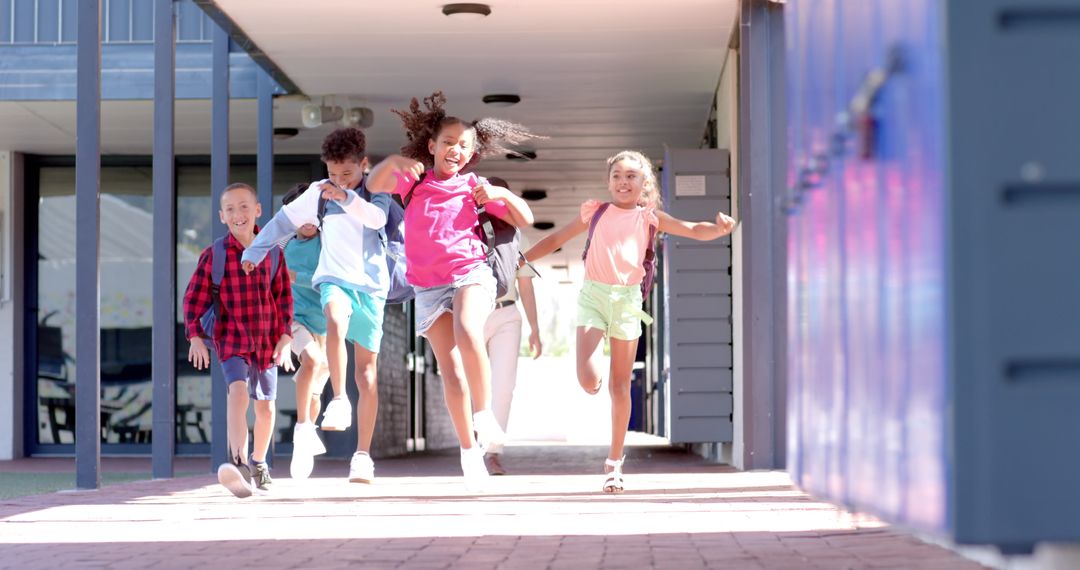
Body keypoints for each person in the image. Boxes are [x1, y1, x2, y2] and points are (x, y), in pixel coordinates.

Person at [524, 150, 736, 493]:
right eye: (617, 176)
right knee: (588, 379)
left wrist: (718, 229)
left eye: (631, 176)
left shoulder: (649, 218)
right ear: (609, 181)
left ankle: (614, 462)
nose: (623, 182)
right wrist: (520, 259)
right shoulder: (596, 211)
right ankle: (592, 383)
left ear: (644, 183)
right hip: (593, 296)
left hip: (627, 301)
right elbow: (555, 240)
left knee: (619, 386)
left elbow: (693, 229)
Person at [366, 91, 540, 489]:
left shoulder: (476, 187)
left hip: (470, 273)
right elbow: (375, 184)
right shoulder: (413, 184)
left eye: (464, 146)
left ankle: (484, 416)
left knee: (467, 327)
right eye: (448, 143)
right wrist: (393, 162)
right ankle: (468, 449)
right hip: (428, 287)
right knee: (451, 371)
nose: (455, 151)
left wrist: (501, 194)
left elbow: (525, 218)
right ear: (431, 146)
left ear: (472, 153)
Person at [243, 128, 391, 484]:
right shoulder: (318, 193)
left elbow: (377, 220)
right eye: (333, 172)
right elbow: (281, 222)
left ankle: (361, 456)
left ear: (363, 165)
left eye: (348, 173)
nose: (338, 180)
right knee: (335, 319)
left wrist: (344, 196)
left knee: (367, 374)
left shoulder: (377, 190)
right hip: (335, 279)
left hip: (371, 287)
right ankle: (339, 398)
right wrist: (254, 251)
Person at [183, 182, 294, 498]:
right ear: (221, 216)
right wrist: (195, 336)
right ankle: (238, 462)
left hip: (267, 341)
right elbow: (193, 299)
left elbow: (284, 298)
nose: (238, 214)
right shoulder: (214, 255)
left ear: (258, 210)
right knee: (237, 392)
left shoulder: (272, 254)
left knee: (266, 409)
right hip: (231, 339)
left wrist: (285, 337)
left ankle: (259, 461)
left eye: (244, 206)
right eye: (230, 209)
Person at [480, 177, 542, 476]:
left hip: (507, 315)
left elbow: (527, 286)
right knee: (470, 385)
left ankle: (492, 453)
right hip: (473, 314)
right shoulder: (467, 230)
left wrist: (536, 329)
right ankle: (471, 447)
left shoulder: (517, 236)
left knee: (503, 387)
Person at [278, 182, 332, 480]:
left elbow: (332, 275)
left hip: (323, 323)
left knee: (313, 389)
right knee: (310, 360)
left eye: (315, 215)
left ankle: (303, 439)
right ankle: (302, 428)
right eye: (303, 215)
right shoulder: (284, 243)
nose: (309, 222)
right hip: (293, 318)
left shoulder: (327, 241)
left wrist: (297, 276)